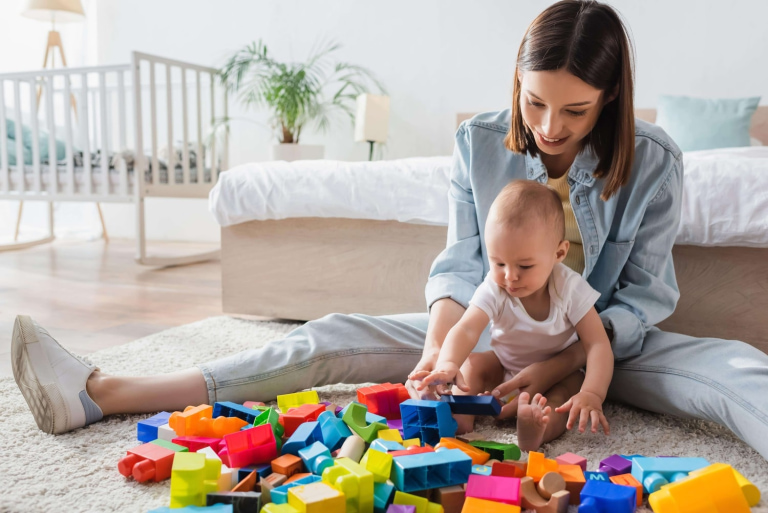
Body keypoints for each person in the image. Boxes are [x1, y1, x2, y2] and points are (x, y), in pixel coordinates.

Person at [11, 0, 768, 462]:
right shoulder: (478, 141)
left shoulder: (656, 160)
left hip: (602, 348)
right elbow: (460, 264)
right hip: (487, 330)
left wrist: (566, 367)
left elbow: (641, 299)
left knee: (734, 371)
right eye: (536, 104)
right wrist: (443, 356)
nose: (547, 129)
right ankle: (104, 391)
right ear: (518, 83)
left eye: (576, 112)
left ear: (610, 98)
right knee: (329, 334)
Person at [410, 180, 613, 451]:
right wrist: (448, 364)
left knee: (564, 397)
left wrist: (592, 393)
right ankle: (457, 417)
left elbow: (597, 343)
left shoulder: (569, 288)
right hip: (504, 366)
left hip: (557, 375)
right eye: (498, 263)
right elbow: (467, 329)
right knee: (472, 365)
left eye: (525, 266)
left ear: (559, 253)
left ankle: (537, 429)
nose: (510, 276)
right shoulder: (496, 287)